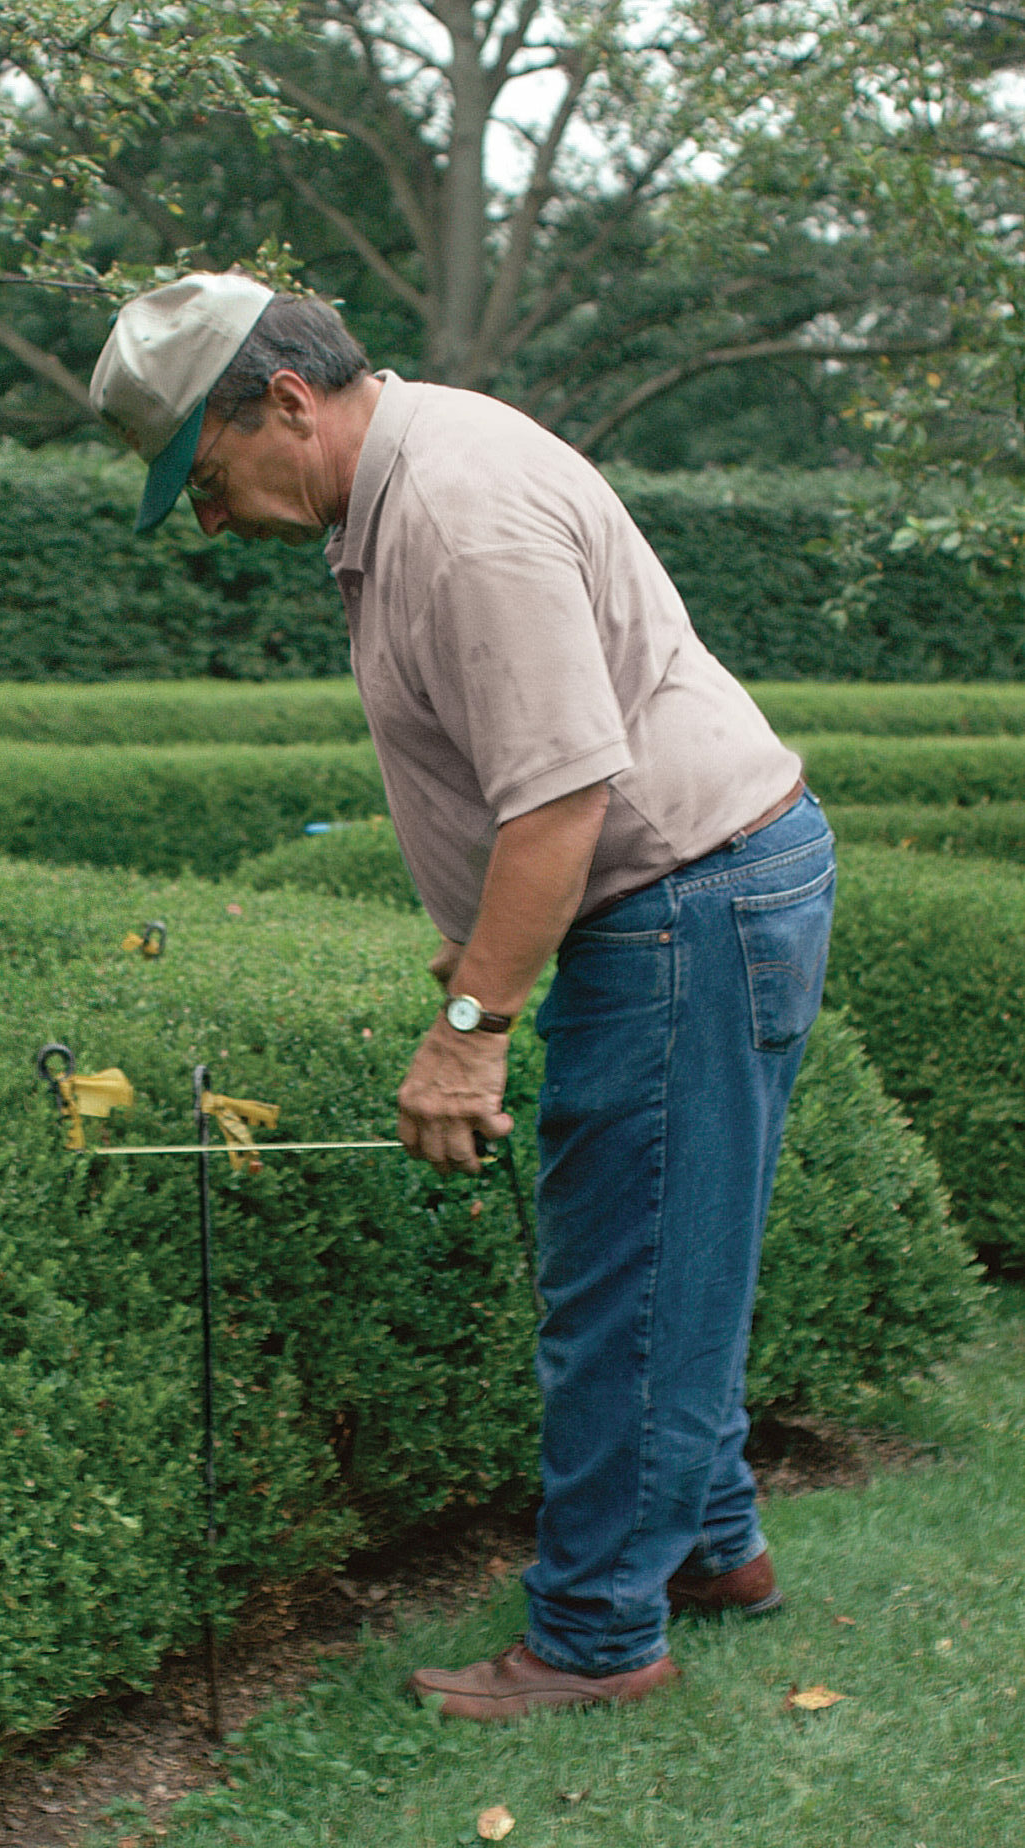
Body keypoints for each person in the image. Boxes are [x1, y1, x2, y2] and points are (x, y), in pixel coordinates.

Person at [90, 274, 835, 1723]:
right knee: (662, 1243)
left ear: (285, 406)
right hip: (689, 889)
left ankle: (593, 1642)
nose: (205, 514)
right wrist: (495, 940)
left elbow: (561, 796)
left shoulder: (453, 514)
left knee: (623, 1281)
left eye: (202, 473)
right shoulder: (414, 474)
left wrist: (470, 1031)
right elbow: (532, 777)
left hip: (678, 899)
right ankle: (711, 1550)